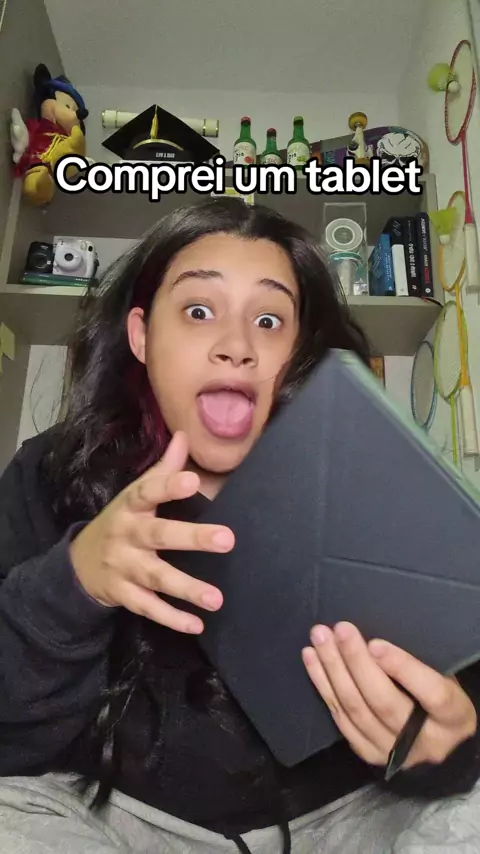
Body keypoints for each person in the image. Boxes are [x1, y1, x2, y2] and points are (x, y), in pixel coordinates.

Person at [0, 197, 479, 854]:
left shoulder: (373, 485)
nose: (236, 346)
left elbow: (452, 704)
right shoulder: (50, 473)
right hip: (114, 819)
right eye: (199, 311)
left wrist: (449, 752)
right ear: (142, 335)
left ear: (299, 347)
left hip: (349, 818)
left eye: (269, 319)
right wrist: (76, 580)